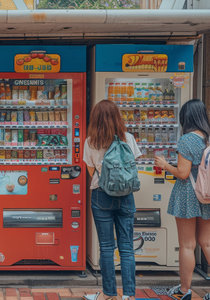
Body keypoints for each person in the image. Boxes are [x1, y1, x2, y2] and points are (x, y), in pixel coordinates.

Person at [82, 100, 141, 300]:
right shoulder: (129, 138)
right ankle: (129, 295)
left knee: (107, 247)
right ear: (117, 117)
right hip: (126, 196)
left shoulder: (90, 141)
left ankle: (109, 294)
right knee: (126, 247)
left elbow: (91, 171)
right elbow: (134, 164)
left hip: (101, 195)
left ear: (95, 118)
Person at [154, 99, 210, 300]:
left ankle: (184, 290)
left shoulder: (187, 140)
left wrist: (164, 164)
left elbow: (183, 173)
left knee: (187, 244)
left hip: (188, 194)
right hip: (206, 194)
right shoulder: (207, 138)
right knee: (207, 242)